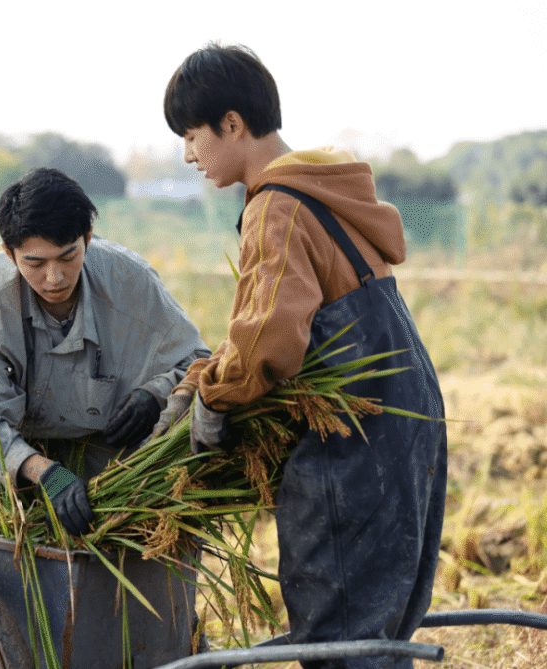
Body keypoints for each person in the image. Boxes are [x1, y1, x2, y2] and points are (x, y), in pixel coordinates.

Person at [154, 43, 447, 668]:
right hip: (406, 419)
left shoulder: (276, 206)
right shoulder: (323, 190)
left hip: (353, 440)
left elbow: (268, 341)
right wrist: (197, 376)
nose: (188, 155)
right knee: (379, 626)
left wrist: (214, 399)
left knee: (340, 636)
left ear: (232, 124)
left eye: (193, 135)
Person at [0, 167, 210, 536]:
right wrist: (48, 476)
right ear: (10, 254)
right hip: (29, 472)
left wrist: (152, 396)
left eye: (68, 256)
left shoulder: (130, 280)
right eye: (35, 263)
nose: (54, 278)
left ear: (87, 238)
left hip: (128, 469)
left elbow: (198, 361)